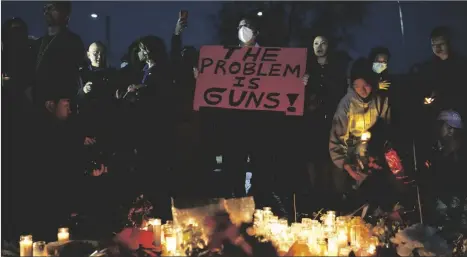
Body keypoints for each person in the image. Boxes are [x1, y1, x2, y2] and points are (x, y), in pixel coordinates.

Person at [117, 35, 174, 221]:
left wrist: (141, 92)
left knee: (154, 174)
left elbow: (160, 99)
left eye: (142, 49)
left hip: (153, 133)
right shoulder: (144, 71)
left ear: (149, 52)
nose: (138, 52)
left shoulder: (159, 72)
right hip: (143, 131)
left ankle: (159, 215)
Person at [329, 58, 391, 212]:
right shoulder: (346, 105)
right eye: (357, 86)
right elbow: (337, 138)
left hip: (367, 144)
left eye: (366, 85)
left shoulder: (380, 100)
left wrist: (378, 153)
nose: (362, 90)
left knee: (373, 180)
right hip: (346, 146)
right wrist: (344, 163)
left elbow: (389, 128)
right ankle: (342, 209)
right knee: (341, 180)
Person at [299, 34, 352, 211]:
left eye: (323, 43)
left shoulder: (337, 67)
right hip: (312, 120)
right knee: (313, 158)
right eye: (315, 43)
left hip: (332, 119)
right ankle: (315, 196)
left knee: (332, 157)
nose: (319, 47)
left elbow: (339, 90)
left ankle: (335, 198)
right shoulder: (306, 68)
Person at [33, 1, 85, 106]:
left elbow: (73, 75)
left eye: (52, 8)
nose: (47, 11)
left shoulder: (73, 41)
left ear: (65, 13)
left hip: (61, 103)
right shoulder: (38, 43)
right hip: (39, 102)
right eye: (46, 8)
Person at [422, 110, 466, 229]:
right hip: (440, 201)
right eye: (447, 127)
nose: (451, 131)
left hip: (451, 204)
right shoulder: (438, 147)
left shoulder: (456, 153)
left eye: (453, 129)